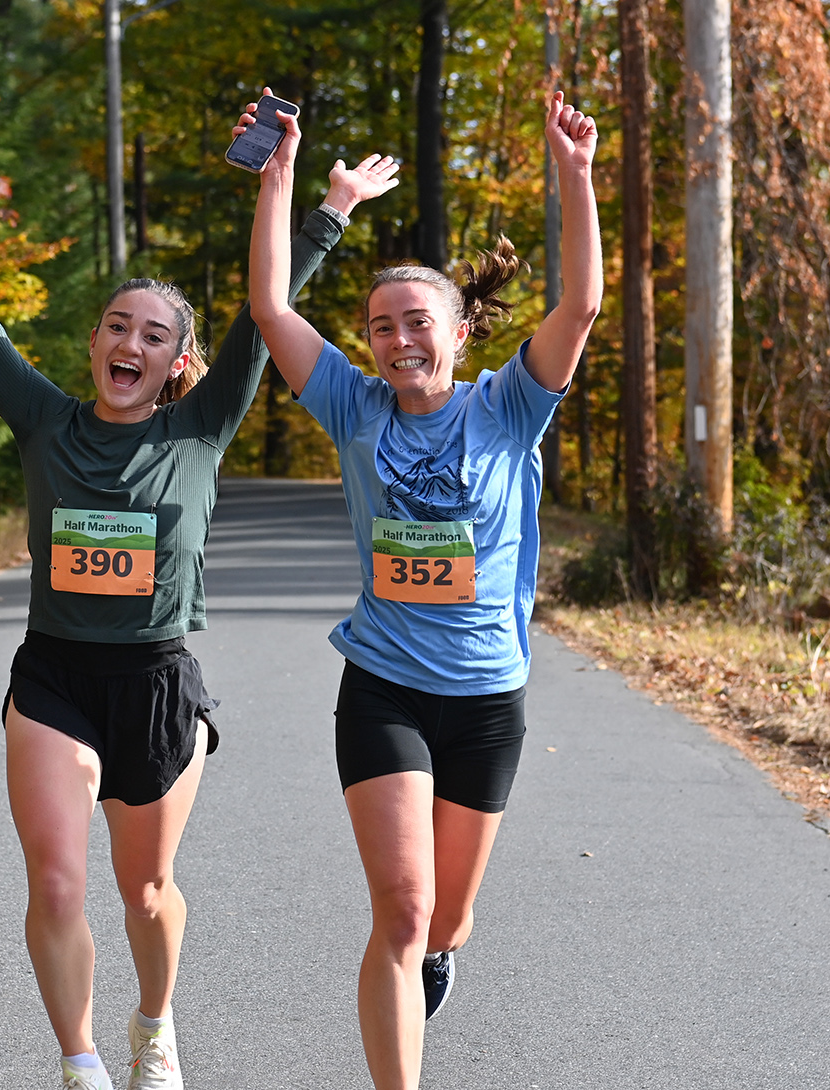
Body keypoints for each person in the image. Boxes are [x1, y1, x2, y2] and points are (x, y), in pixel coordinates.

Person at [0, 106, 397, 1090]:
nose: (132, 342)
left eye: (154, 335)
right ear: (95, 343)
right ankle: (80, 1060)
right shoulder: (44, 420)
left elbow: (267, 310)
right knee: (56, 881)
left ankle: (154, 1025)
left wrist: (320, 205)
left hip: (158, 684)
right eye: (118, 326)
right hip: (54, 677)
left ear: (177, 362)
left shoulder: (200, 428)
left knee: (147, 890)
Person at [243, 89, 601, 1090]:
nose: (398, 338)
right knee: (400, 911)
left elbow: (578, 307)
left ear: (458, 330)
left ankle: (439, 954)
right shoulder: (353, 406)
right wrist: (286, 180)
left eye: (416, 321)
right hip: (384, 688)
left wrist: (573, 176)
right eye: (380, 326)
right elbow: (271, 308)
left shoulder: (508, 407)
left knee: (445, 918)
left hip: (486, 699)